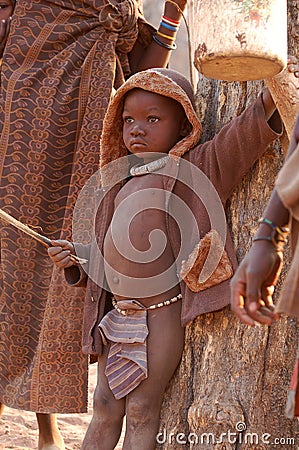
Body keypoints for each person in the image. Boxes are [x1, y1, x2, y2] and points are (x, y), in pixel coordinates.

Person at [48, 66, 283, 449]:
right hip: (116, 317)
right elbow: (113, 257)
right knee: (104, 405)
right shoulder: (117, 184)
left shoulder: (194, 172)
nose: (136, 129)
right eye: (128, 120)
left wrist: (274, 90)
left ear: (184, 125)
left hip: (160, 317)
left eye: (152, 119)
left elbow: (240, 138)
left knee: (142, 408)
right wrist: (77, 259)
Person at [0, 1, 187, 449]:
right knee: (6, 279)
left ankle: (47, 429)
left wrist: (170, 19)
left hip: (84, 150)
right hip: (19, 140)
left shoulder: (120, 8)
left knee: (58, 283)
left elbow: (135, 81)